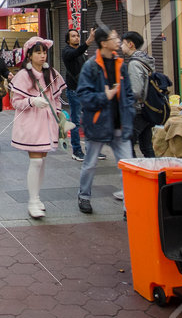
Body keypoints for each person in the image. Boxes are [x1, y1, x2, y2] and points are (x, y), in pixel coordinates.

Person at [75, 27, 134, 214]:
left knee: (128, 166)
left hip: (120, 124)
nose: (118, 40)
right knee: (90, 163)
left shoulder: (121, 64)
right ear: (103, 43)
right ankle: (84, 196)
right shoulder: (91, 66)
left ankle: (129, 206)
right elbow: (83, 96)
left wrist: (129, 112)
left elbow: (129, 93)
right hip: (98, 123)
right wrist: (104, 96)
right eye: (114, 38)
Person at [10, 37, 67, 218]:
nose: (42, 56)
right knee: (36, 161)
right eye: (38, 52)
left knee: (41, 160)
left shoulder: (52, 73)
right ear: (29, 55)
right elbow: (15, 101)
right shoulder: (23, 75)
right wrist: (32, 101)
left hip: (48, 121)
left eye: (44, 52)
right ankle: (32, 201)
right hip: (31, 121)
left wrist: (57, 112)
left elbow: (57, 98)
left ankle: (36, 197)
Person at [120, 31, 159, 160]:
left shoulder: (134, 63)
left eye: (123, 43)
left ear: (130, 44)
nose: (121, 46)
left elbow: (135, 91)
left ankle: (133, 172)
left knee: (127, 144)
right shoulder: (146, 60)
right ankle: (154, 174)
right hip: (148, 108)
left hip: (138, 110)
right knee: (146, 145)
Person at [61, 29, 90, 161]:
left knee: (89, 120)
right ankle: (76, 150)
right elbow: (75, 52)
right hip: (74, 91)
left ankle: (92, 149)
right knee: (76, 122)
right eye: (73, 36)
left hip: (85, 90)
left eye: (77, 36)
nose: (76, 38)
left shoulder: (81, 53)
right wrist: (88, 41)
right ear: (68, 40)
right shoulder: (67, 51)